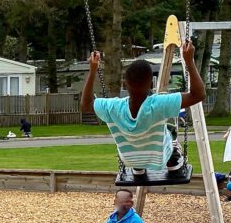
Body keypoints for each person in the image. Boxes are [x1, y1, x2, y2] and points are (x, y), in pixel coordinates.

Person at [81, 41, 207, 181]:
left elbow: (86, 105)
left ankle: (138, 167)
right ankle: (173, 162)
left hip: (129, 159)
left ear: (125, 84)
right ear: (151, 84)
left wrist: (92, 70)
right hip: (159, 157)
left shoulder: (112, 107)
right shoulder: (159, 104)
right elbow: (199, 95)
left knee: (137, 138)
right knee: (169, 132)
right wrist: (189, 61)